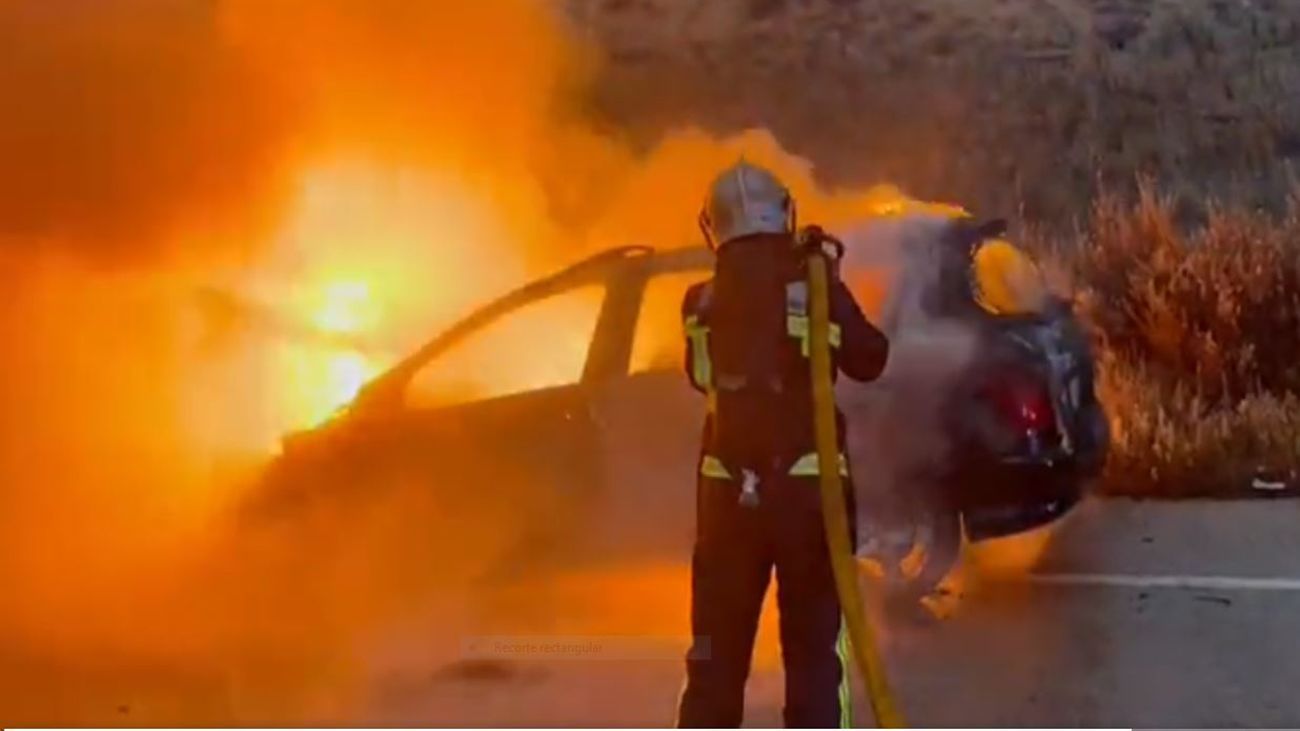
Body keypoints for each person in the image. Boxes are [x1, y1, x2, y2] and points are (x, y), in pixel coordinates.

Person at [675, 161, 889, 728]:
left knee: (714, 660)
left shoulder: (698, 303)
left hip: (726, 505)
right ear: (784, 213)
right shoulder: (814, 287)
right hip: (808, 498)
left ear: (713, 227)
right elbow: (871, 359)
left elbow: (700, 378)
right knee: (814, 658)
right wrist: (828, 280)